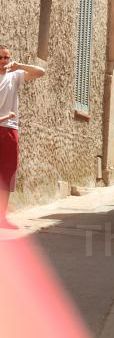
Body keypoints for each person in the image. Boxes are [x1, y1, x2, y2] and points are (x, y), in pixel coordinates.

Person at [0, 45, 45, 228]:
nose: (3, 61)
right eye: (0, 57)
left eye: (6, 57)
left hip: (10, 130)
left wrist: (20, 66)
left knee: (7, 173)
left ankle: (2, 218)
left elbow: (40, 72)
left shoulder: (15, 75)